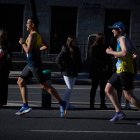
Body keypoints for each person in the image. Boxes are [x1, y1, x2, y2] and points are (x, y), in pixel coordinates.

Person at [15, 17, 66, 117]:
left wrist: (22, 43)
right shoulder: (37, 35)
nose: (26, 25)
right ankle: (25, 106)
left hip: (34, 64)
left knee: (44, 86)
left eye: (28, 23)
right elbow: (46, 46)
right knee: (20, 81)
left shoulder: (32, 35)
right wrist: (37, 50)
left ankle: (62, 103)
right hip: (30, 64)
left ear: (33, 25)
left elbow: (27, 50)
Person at [105, 21, 140, 123]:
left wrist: (110, 52)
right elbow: (136, 54)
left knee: (128, 95)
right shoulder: (127, 38)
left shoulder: (121, 38)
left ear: (119, 30)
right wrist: (130, 56)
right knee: (108, 89)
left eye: (114, 29)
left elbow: (124, 53)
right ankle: (119, 112)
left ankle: (119, 112)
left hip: (125, 70)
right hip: (121, 69)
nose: (112, 31)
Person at [56, 36, 81, 110]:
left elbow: (79, 60)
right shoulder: (65, 49)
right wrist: (63, 68)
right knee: (69, 88)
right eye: (74, 41)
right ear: (70, 42)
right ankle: (63, 104)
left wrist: (79, 68)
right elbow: (57, 60)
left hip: (74, 71)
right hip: (67, 72)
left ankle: (67, 104)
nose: (75, 42)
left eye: (75, 41)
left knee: (70, 88)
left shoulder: (77, 49)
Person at [88, 33, 112, 109]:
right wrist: (104, 65)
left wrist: (107, 66)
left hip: (103, 70)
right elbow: (93, 59)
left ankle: (102, 104)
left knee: (102, 88)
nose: (104, 40)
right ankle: (92, 103)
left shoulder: (105, 46)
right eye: (103, 39)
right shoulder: (94, 47)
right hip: (96, 70)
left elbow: (108, 58)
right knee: (94, 87)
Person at [0, 28, 12, 107]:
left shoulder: (7, 44)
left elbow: (9, 55)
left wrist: (4, 54)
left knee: (3, 85)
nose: (4, 36)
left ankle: (2, 101)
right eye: (3, 35)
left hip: (4, 67)